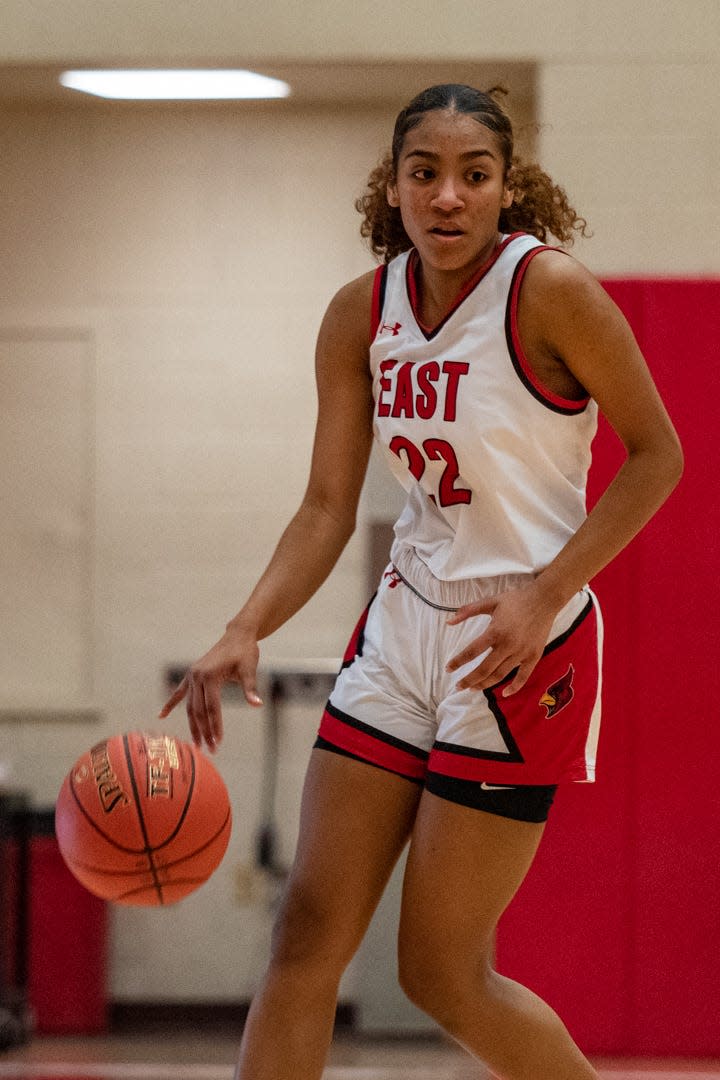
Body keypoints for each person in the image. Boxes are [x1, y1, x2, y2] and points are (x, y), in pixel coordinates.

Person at [160, 84, 683, 1080]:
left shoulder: (552, 292)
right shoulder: (360, 312)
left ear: (505, 190)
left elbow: (660, 457)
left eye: (473, 176)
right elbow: (325, 505)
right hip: (403, 628)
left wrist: (541, 593)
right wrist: (245, 625)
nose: (448, 197)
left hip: (522, 643)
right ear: (392, 187)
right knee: (305, 934)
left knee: (443, 973)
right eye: (425, 174)